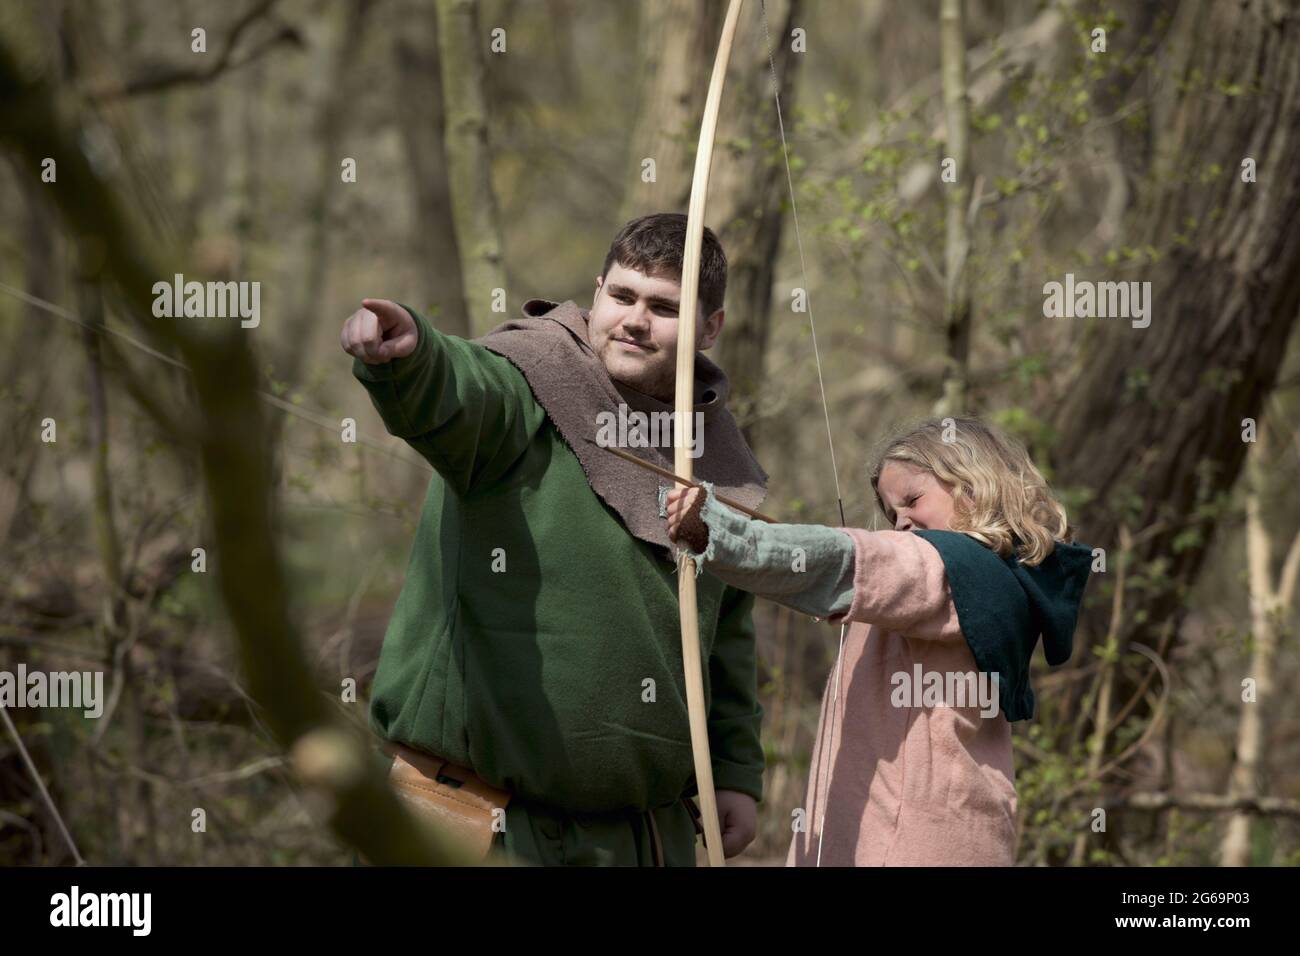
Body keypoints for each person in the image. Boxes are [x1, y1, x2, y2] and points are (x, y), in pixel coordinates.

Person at [341, 213, 768, 865]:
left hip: (643, 838)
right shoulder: (528, 382)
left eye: (664, 307)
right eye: (622, 296)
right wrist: (410, 356)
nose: (634, 319)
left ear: (710, 327)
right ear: (597, 291)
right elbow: (460, 387)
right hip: (478, 825)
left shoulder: (718, 455)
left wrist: (735, 771)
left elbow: (726, 634)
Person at [665, 417, 1093, 865]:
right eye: (891, 514)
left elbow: (836, 561)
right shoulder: (1000, 580)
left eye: (913, 500)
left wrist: (719, 531)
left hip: (905, 847)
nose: (901, 523)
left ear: (974, 486)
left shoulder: (951, 566)